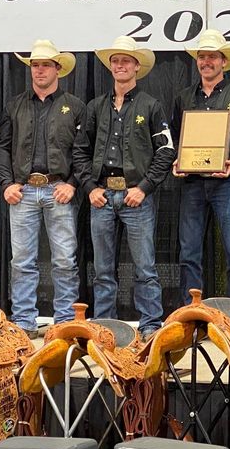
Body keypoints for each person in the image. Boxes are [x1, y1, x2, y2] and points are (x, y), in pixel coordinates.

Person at [74, 35, 174, 339]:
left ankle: (151, 325)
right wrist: (90, 187)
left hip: (136, 197)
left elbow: (166, 151)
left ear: (136, 66)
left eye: (125, 61)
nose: (120, 65)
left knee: (145, 268)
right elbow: (80, 150)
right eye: (115, 61)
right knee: (103, 270)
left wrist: (144, 187)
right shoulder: (95, 107)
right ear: (110, 66)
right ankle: (106, 326)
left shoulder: (151, 106)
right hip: (102, 196)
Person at [0, 40, 86, 338]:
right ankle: (23, 321)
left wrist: (72, 184)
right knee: (21, 260)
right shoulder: (15, 105)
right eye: (35, 65)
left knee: (64, 259)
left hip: (58, 188)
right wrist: (8, 183)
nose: (40, 70)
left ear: (58, 68)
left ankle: (63, 322)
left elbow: (83, 151)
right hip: (22, 191)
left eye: (46, 64)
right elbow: (2, 148)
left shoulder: (74, 107)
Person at [171, 29, 230, 303]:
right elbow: (175, 138)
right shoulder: (183, 98)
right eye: (202, 56)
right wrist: (178, 159)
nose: (206, 61)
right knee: (189, 253)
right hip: (193, 184)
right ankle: (192, 313)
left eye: (212, 56)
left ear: (224, 61)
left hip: (228, 184)